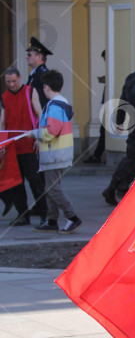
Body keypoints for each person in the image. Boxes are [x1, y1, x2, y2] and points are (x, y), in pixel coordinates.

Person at [31, 70, 81, 234]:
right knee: (50, 187)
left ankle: (73, 217)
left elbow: (50, 132)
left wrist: (35, 133)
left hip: (54, 155)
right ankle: (52, 220)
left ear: (46, 87)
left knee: (52, 189)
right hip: (55, 155)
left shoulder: (53, 106)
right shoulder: (59, 104)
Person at [102, 51, 135, 206]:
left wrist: (119, 121)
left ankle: (119, 187)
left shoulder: (131, 78)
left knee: (133, 158)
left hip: (133, 122)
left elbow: (123, 100)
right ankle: (116, 188)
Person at [1, 68, 47, 226]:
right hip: (13, 147)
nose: (12, 84)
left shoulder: (30, 91)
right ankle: (23, 214)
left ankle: (44, 213)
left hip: (29, 144)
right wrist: (3, 144)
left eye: (14, 81)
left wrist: (39, 137)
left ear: (20, 78)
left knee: (35, 181)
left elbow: (40, 113)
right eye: (8, 82)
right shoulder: (4, 97)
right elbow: (3, 122)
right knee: (16, 183)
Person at [84, 50, 107, 164]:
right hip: (108, 106)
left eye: (105, 59)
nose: (105, 61)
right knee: (103, 131)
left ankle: (97, 155)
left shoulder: (113, 67)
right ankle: (97, 155)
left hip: (111, 107)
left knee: (104, 131)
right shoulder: (111, 68)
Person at [26, 36, 52, 113]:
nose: (26, 57)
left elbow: (42, 100)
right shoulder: (35, 73)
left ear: (39, 57)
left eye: (29, 55)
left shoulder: (43, 74)